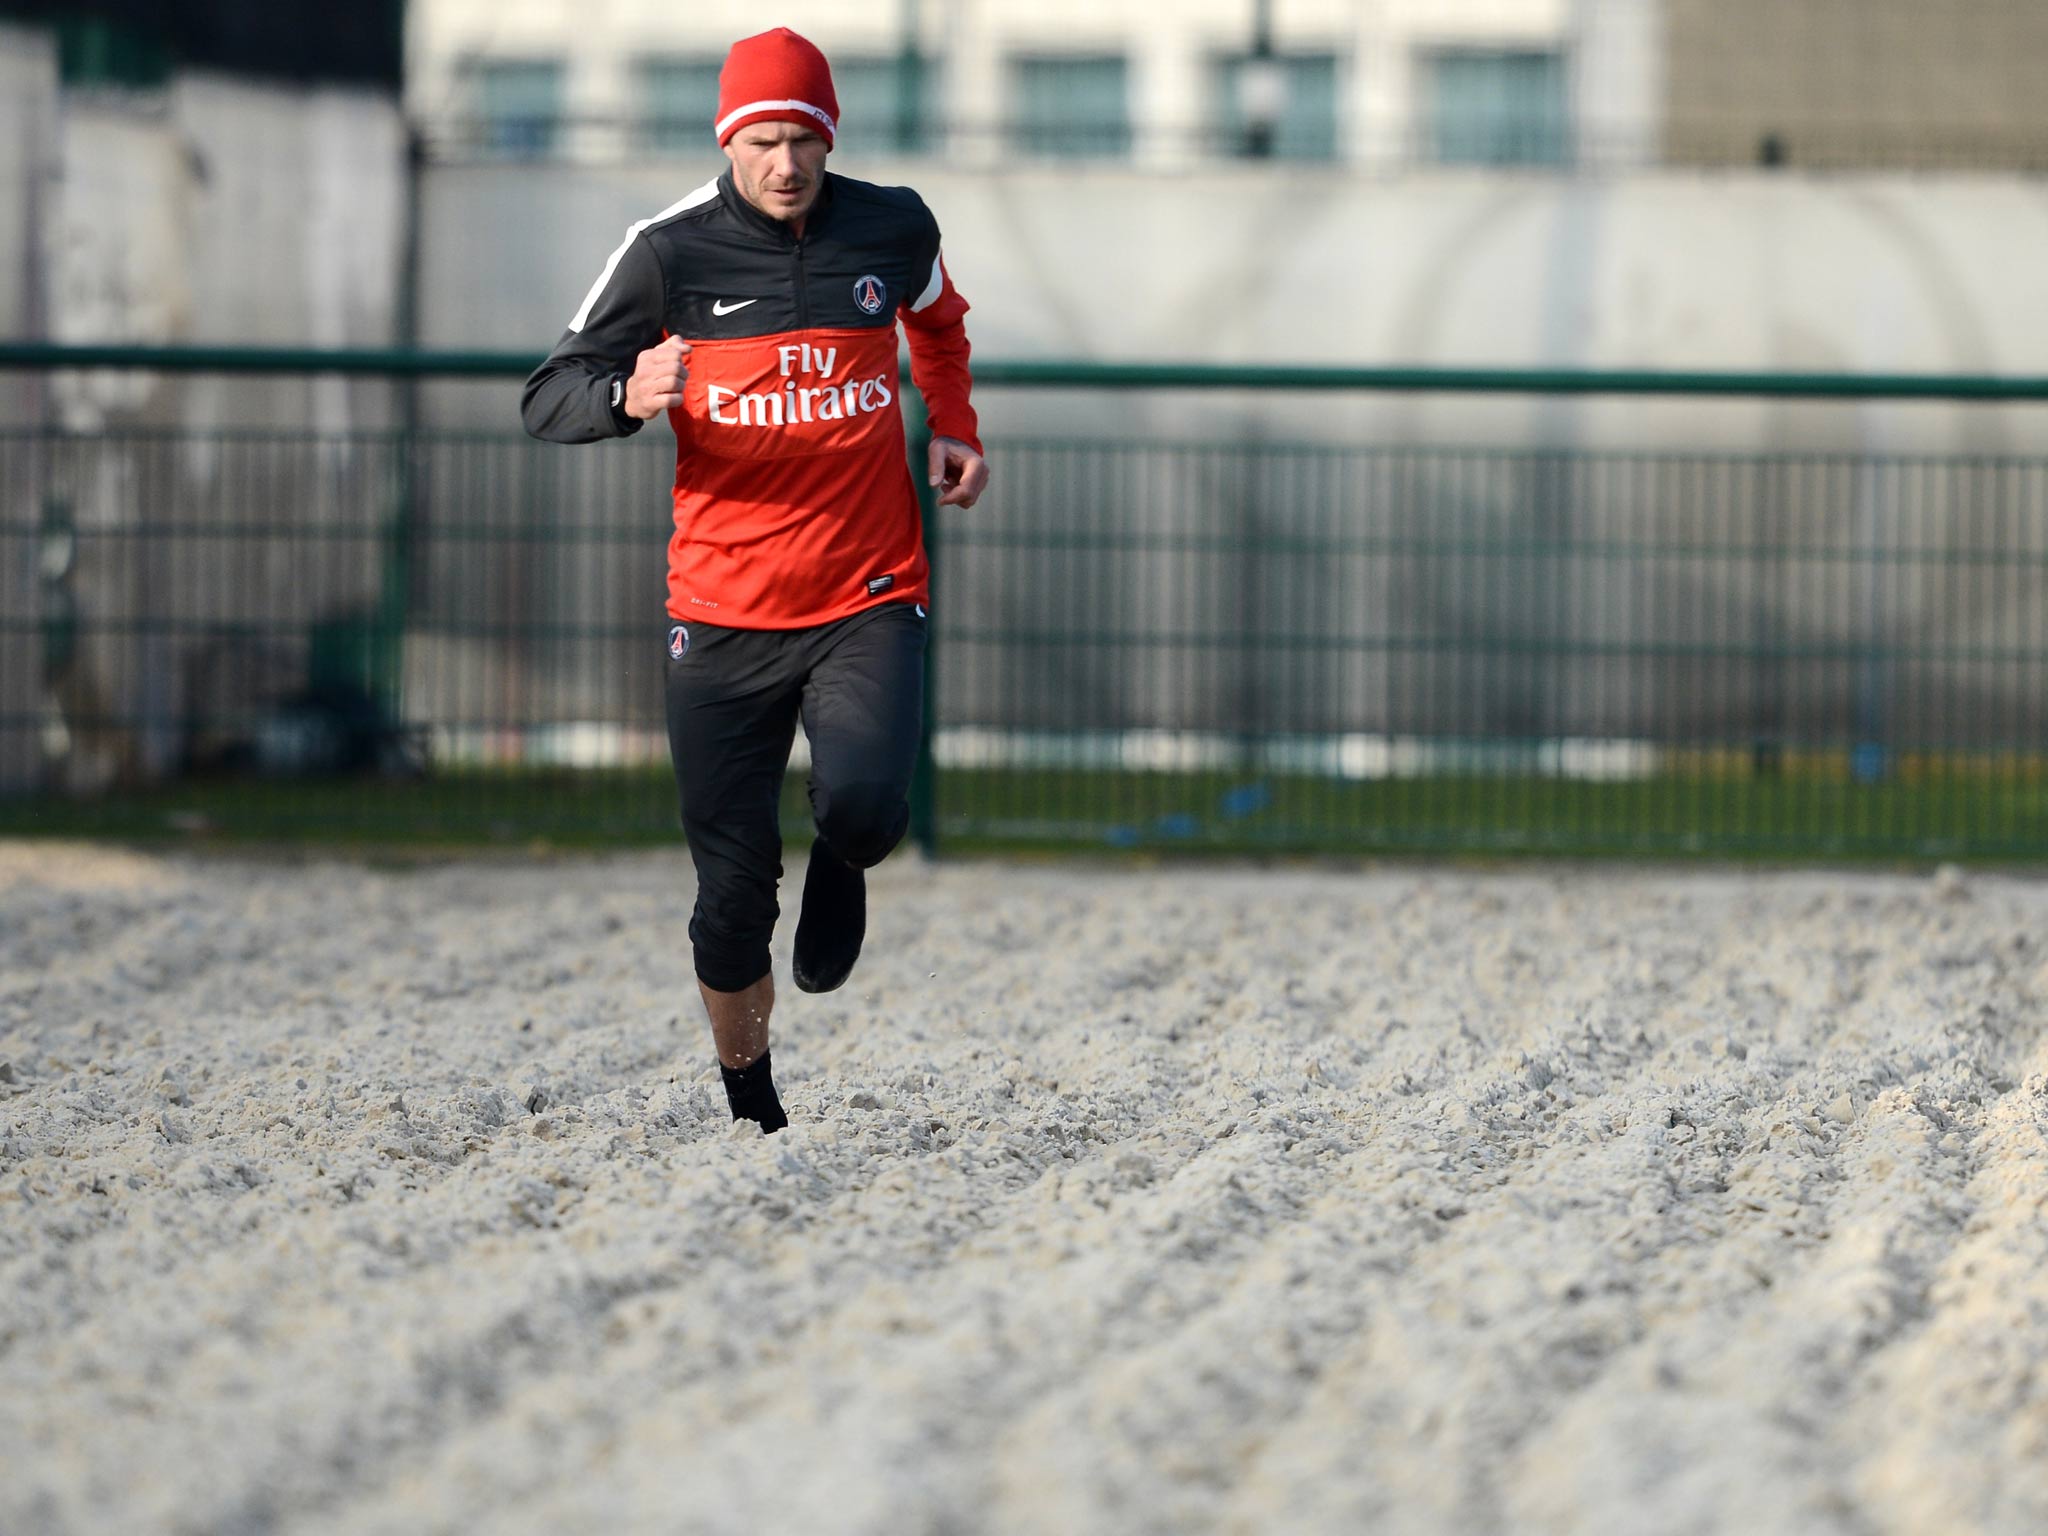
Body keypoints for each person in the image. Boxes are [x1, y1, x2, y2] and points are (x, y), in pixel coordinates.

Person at [521, 27, 988, 1134]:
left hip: (867, 586)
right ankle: (752, 1109)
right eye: (762, 142)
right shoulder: (666, 252)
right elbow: (548, 395)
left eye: (803, 140)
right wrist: (626, 395)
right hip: (721, 609)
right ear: (728, 141)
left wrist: (953, 425)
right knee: (731, 898)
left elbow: (938, 324)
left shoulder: (894, 224)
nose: (785, 164)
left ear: (830, 138)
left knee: (865, 806)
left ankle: (846, 858)